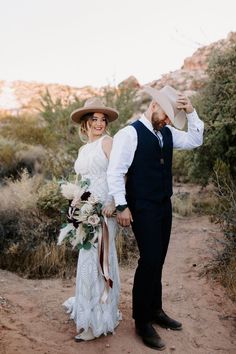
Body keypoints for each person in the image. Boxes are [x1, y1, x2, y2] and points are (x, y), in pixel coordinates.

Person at [107, 85, 204, 350]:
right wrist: (122, 206)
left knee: (158, 259)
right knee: (148, 259)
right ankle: (142, 321)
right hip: (142, 206)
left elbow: (196, 140)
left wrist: (191, 112)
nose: (169, 120)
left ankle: (156, 310)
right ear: (153, 106)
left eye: (174, 117)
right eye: (167, 114)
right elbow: (115, 173)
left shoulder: (168, 132)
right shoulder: (129, 134)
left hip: (163, 205)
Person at [63, 97, 121, 341]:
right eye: (94, 119)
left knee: (100, 262)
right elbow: (82, 180)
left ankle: (99, 319)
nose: (99, 123)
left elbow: (122, 173)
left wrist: (113, 203)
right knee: (87, 261)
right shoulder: (83, 149)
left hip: (105, 213)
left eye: (103, 119)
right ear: (85, 123)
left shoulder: (108, 143)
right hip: (85, 211)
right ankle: (88, 312)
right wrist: (76, 204)